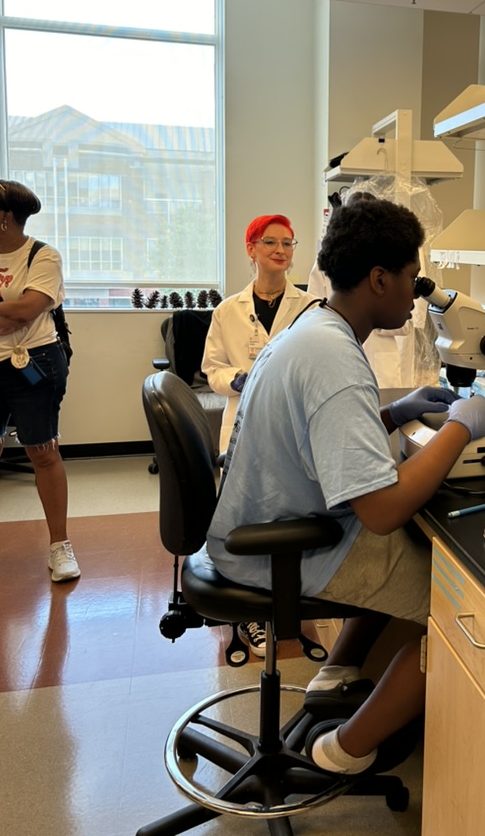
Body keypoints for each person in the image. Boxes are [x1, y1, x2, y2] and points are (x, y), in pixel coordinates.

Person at [207, 197, 485, 774]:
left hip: (258, 527)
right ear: (380, 278)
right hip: (279, 549)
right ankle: (344, 750)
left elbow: (318, 436)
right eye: (412, 277)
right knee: (460, 610)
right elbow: (382, 509)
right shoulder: (335, 359)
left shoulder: (314, 326)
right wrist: (461, 427)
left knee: (415, 553)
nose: (416, 292)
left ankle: (336, 672)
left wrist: (392, 416)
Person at [202, 213, 314, 655]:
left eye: (288, 243)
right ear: (251, 249)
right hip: (242, 425)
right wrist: (240, 379)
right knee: (246, 519)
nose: (281, 251)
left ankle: (290, 601)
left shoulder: (309, 308)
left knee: (288, 515)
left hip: (293, 425)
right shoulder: (227, 311)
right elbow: (211, 370)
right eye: (271, 242)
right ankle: (250, 613)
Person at [0, 176, 79, 582]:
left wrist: (6, 312)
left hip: (33, 361)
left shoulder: (42, 256)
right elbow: (16, 309)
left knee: (42, 451)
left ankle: (60, 547)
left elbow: (27, 311)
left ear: (5, 217)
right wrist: (4, 314)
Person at [308, 192, 415, 388]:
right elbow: (317, 307)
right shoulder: (328, 264)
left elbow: (409, 321)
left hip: (382, 359)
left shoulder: (395, 261)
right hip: (342, 351)